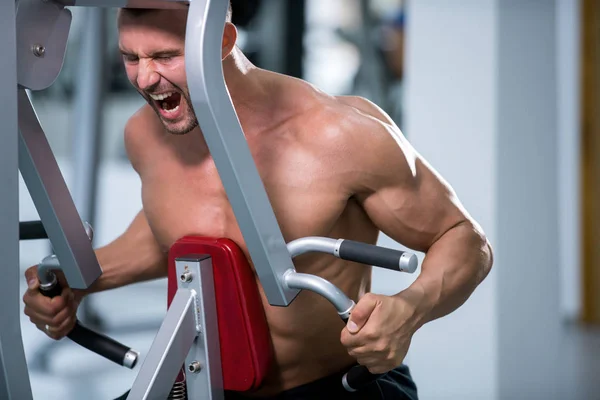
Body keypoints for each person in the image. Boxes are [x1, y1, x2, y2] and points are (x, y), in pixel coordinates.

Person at [23, 4, 494, 400]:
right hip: (205, 383)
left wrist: (410, 309)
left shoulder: (339, 134)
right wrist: (80, 281)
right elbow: (167, 232)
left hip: (334, 386)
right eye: (131, 57)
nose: (145, 78)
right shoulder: (146, 136)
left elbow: (464, 239)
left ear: (222, 40)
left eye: (164, 56)